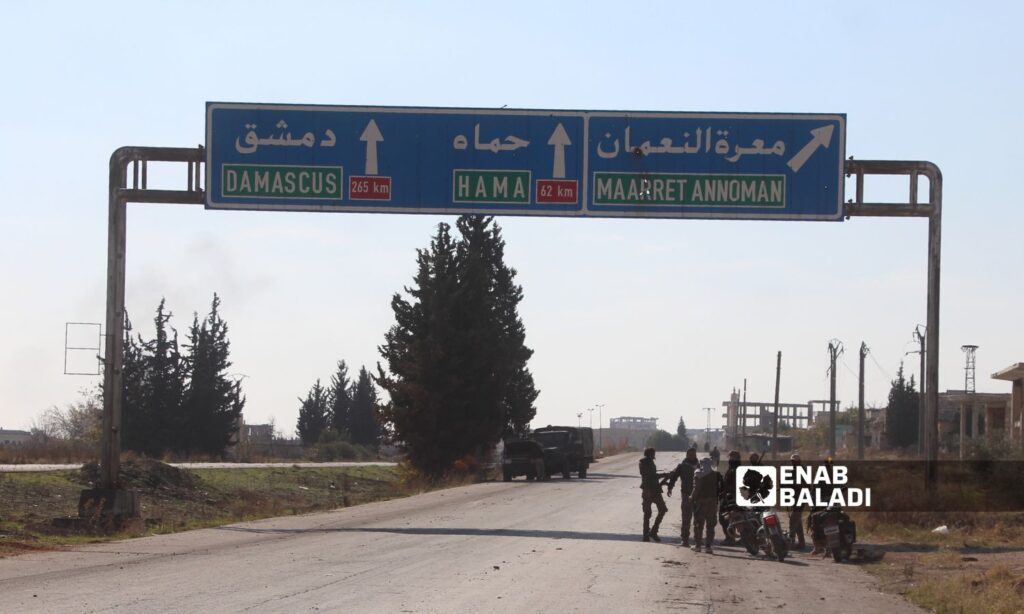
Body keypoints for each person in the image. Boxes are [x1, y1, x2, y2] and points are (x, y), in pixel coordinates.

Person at [665, 447, 700, 546]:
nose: (692, 456)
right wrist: (670, 487)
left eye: (693, 454)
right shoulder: (682, 466)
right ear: (687, 455)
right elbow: (674, 477)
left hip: (698, 495)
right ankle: (685, 539)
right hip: (686, 494)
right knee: (686, 517)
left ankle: (698, 539)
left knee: (698, 518)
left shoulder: (700, 466)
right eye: (690, 454)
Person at [639, 447, 670, 542]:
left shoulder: (645, 463)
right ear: (650, 454)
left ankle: (649, 533)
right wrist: (664, 475)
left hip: (650, 490)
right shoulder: (646, 463)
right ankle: (650, 532)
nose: (654, 455)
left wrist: (663, 479)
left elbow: (652, 476)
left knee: (651, 512)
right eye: (653, 454)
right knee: (658, 511)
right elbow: (651, 476)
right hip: (651, 491)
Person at [690, 457, 721, 553]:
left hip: (701, 501)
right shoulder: (716, 474)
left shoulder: (698, 473)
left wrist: (692, 497)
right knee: (710, 524)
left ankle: (698, 545)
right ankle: (708, 546)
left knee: (699, 524)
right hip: (713, 501)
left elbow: (697, 488)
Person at [718, 450, 742, 545]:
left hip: (733, 497)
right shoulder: (731, 468)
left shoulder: (737, 469)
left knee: (730, 518)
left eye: (734, 457)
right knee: (727, 519)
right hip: (727, 497)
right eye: (731, 456)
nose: (732, 459)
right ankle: (731, 538)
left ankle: (732, 539)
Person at [788, 453, 806, 550]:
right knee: (797, 521)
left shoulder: (802, 470)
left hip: (800, 498)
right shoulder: (793, 470)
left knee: (793, 520)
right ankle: (801, 543)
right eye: (792, 461)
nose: (793, 463)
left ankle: (791, 542)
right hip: (794, 498)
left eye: (795, 461)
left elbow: (801, 484)